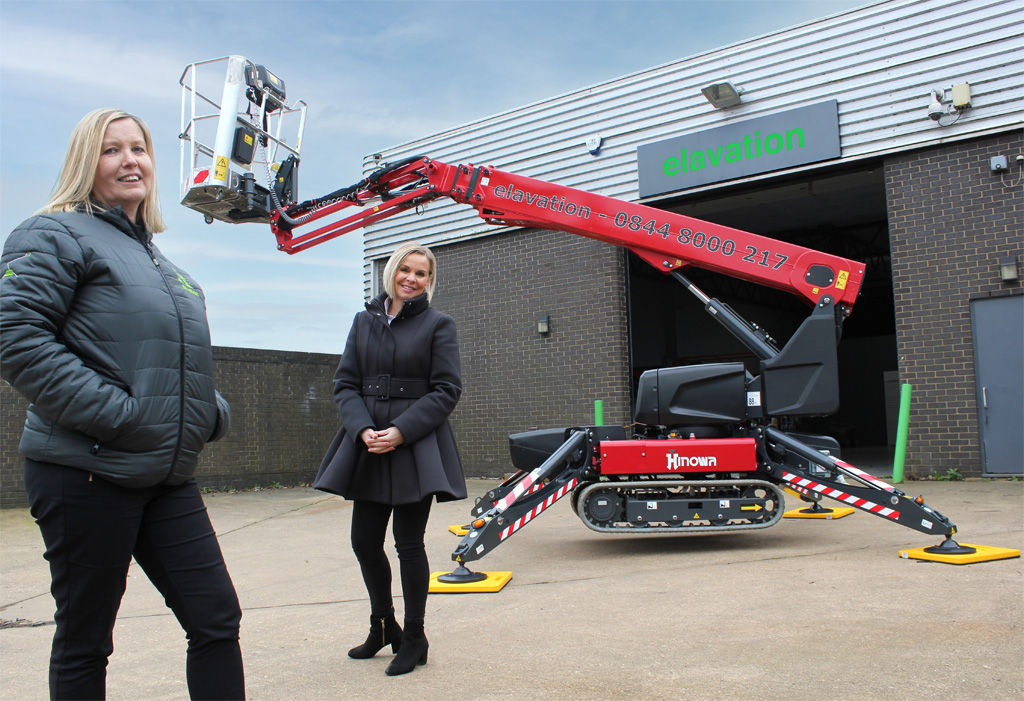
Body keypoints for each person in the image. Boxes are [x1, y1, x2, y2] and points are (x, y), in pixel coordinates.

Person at [0, 108, 245, 700]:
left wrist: (209, 411)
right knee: (87, 639)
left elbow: (169, 360)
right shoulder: (52, 233)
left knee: (216, 619)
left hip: (165, 475)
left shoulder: (169, 268)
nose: (130, 160)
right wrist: (123, 417)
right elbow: (16, 336)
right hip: (86, 470)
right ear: (88, 162)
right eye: (112, 150)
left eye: (139, 148)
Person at [313, 242, 466, 676]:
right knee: (364, 540)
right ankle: (382, 624)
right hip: (368, 442)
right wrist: (363, 430)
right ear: (391, 273)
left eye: (422, 274)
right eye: (406, 270)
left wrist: (400, 431)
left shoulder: (440, 325)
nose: (412, 279)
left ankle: (415, 638)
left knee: (408, 544)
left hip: (414, 443)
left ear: (429, 282)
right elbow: (345, 383)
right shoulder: (363, 322)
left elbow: (446, 390)